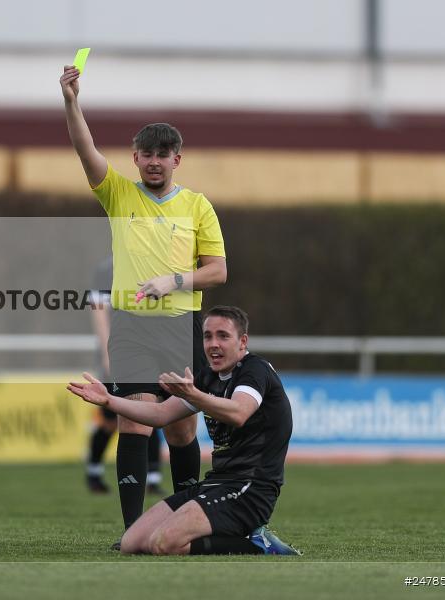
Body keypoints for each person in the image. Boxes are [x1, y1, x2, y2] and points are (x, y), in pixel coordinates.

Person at [60, 65, 228, 536]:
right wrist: (72, 101)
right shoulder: (117, 194)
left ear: (178, 159)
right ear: (134, 158)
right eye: (147, 154)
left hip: (180, 326)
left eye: (164, 154)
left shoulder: (197, 206)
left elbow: (218, 271)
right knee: (132, 419)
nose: (155, 161)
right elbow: (83, 149)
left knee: (180, 430)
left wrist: (173, 281)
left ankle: (187, 524)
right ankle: (133, 529)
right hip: (132, 325)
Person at [68, 306, 300, 555]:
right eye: (208, 336)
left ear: (243, 342)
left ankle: (257, 544)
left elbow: (239, 412)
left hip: (249, 489)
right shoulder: (208, 377)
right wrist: (109, 401)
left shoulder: (255, 371)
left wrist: (196, 396)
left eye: (223, 336)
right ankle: (236, 534)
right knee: (131, 543)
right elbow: (160, 414)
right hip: (215, 484)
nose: (213, 344)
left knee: (162, 543)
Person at [85, 256, 165, 496]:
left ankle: (152, 476)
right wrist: (108, 353)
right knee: (110, 419)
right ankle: (94, 471)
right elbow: (99, 313)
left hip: (151, 354)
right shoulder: (108, 268)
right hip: (120, 352)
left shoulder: (157, 263)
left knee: (150, 411)